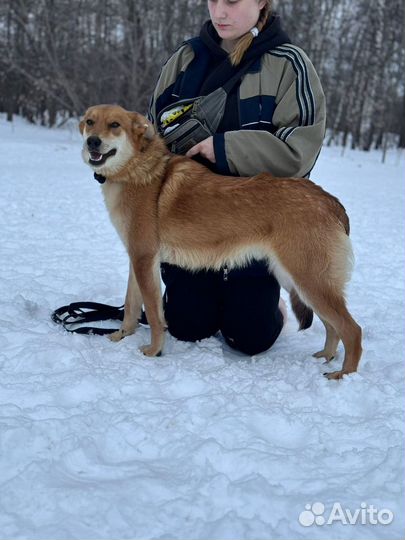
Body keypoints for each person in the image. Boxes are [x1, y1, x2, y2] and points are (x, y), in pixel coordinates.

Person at [148, 0, 326, 356]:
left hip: (253, 230)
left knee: (251, 337)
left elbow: (299, 153)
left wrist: (225, 147)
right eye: (213, 0)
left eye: (231, 1)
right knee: (186, 327)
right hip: (191, 229)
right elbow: (151, 138)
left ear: (260, 2)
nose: (219, 12)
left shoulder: (289, 64)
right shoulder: (185, 59)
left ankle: (266, 303)